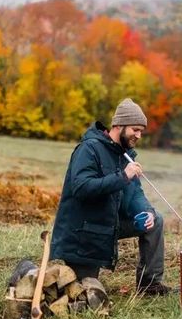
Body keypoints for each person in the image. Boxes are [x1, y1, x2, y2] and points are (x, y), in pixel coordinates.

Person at [50, 98, 171, 295]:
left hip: (109, 224)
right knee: (84, 292)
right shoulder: (89, 149)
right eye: (135, 129)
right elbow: (81, 187)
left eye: (141, 130)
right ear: (118, 126)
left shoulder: (125, 154)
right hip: (84, 232)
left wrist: (145, 211)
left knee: (155, 220)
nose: (139, 135)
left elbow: (134, 193)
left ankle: (150, 285)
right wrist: (123, 176)